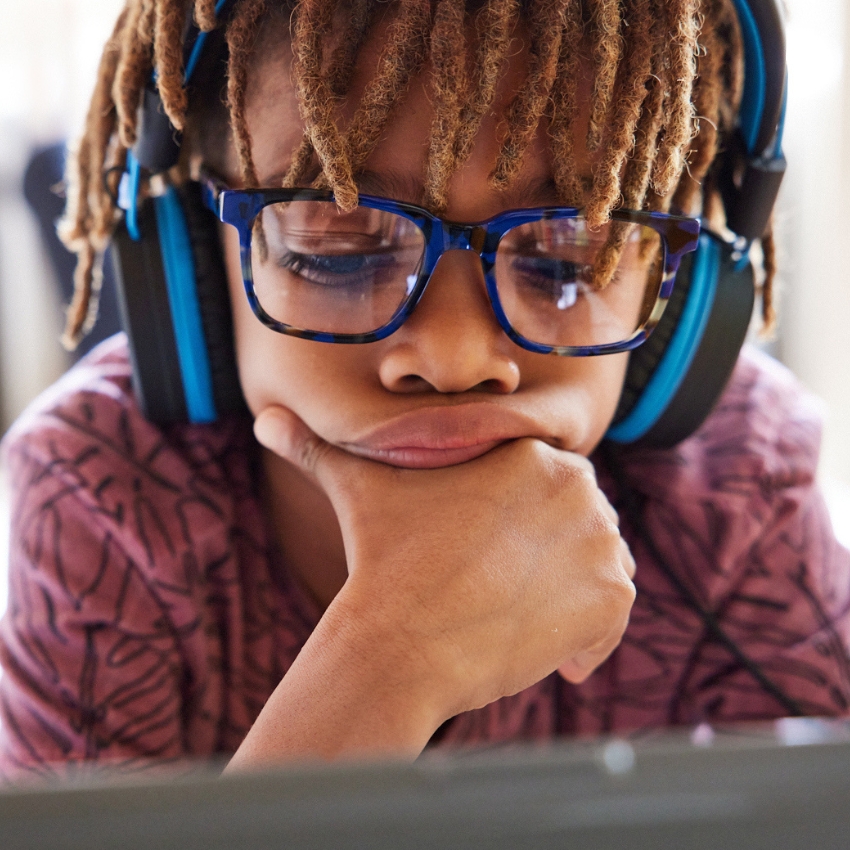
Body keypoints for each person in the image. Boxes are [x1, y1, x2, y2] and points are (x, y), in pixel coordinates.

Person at [1, 0, 849, 780]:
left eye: (563, 262)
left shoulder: (738, 480)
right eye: (337, 251)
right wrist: (388, 664)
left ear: (680, 307)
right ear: (190, 261)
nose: (451, 358)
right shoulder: (100, 496)